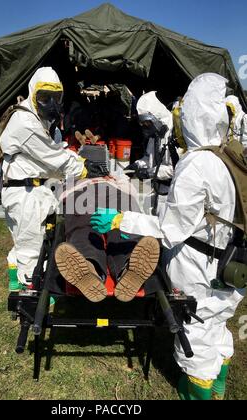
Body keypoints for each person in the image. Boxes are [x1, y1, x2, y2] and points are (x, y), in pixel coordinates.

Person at [91, 73, 246, 400]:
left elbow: (171, 229)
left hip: (201, 268)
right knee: (217, 326)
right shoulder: (231, 155)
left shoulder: (197, 164)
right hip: (233, 264)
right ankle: (218, 387)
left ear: (189, 118)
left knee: (197, 333)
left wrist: (121, 218)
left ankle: (198, 393)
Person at [0, 67, 104, 291]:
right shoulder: (25, 123)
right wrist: (84, 168)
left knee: (29, 242)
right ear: (33, 93)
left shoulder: (43, 122)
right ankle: (31, 297)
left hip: (35, 190)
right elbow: (54, 158)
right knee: (31, 247)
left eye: (55, 97)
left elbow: (57, 151)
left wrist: (76, 161)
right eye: (44, 97)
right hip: (25, 194)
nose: (51, 103)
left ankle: (16, 282)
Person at [54, 175, 160, 303]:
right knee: (84, 227)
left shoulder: (115, 174)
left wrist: (114, 179)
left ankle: (129, 269)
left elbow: (131, 190)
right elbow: (60, 195)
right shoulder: (73, 174)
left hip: (115, 193)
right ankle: (89, 269)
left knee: (122, 225)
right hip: (81, 193)